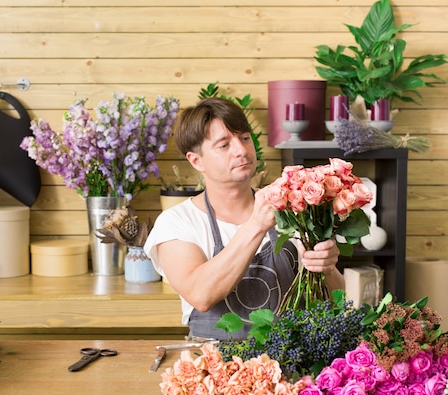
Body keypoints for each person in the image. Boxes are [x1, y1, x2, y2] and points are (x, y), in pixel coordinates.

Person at [144, 98, 344, 340]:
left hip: (291, 361)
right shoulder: (177, 222)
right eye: (224, 145)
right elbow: (201, 294)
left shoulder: (295, 209)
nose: (241, 150)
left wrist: (328, 268)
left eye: (245, 138)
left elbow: (335, 299)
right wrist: (256, 225)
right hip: (214, 367)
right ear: (196, 161)